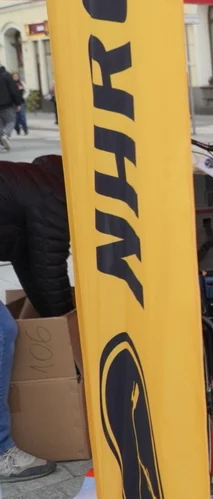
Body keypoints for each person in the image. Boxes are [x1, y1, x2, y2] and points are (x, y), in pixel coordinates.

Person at [0, 155, 69, 482]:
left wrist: (55, 316)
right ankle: (1, 453)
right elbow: (49, 270)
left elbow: (31, 264)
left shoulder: (34, 183)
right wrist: (68, 335)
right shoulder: (53, 197)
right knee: (1, 331)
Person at [0, 66, 21, 152]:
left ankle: (2, 140)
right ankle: (6, 135)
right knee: (11, 121)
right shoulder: (6, 76)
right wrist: (18, 102)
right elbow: (13, 90)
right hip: (7, 104)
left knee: (0, 124)